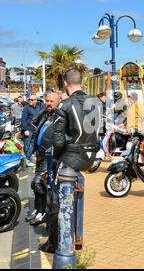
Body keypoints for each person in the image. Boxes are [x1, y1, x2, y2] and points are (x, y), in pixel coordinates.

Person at [39, 68, 101, 253]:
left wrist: (57, 158)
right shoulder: (95, 103)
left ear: (65, 84)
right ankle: (77, 236)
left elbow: (57, 140)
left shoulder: (65, 106)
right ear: (81, 82)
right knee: (75, 196)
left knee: (56, 199)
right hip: (90, 156)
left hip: (71, 157)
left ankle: (55, 243)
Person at [26, 92, 61, 225]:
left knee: (39, 183)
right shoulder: (45, 115)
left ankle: (44, 213)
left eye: (52, 101)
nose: (49, 103)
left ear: (58, 102)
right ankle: (38, 209)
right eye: (47, 100)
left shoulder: (59, 117)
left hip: (50, 156)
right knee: (36, 185)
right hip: (40, 154)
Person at [21, 95, 44, 167]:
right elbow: (23, 120)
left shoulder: (39, 107)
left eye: (32, 100)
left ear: (36, 101)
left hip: (35, 129)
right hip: (28, 129)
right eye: (29, 99)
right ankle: (25, 160)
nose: (30, 101)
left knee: (32, 145)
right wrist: (25, 130)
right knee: (27, 145)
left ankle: (27, 159)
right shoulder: (26, 108)